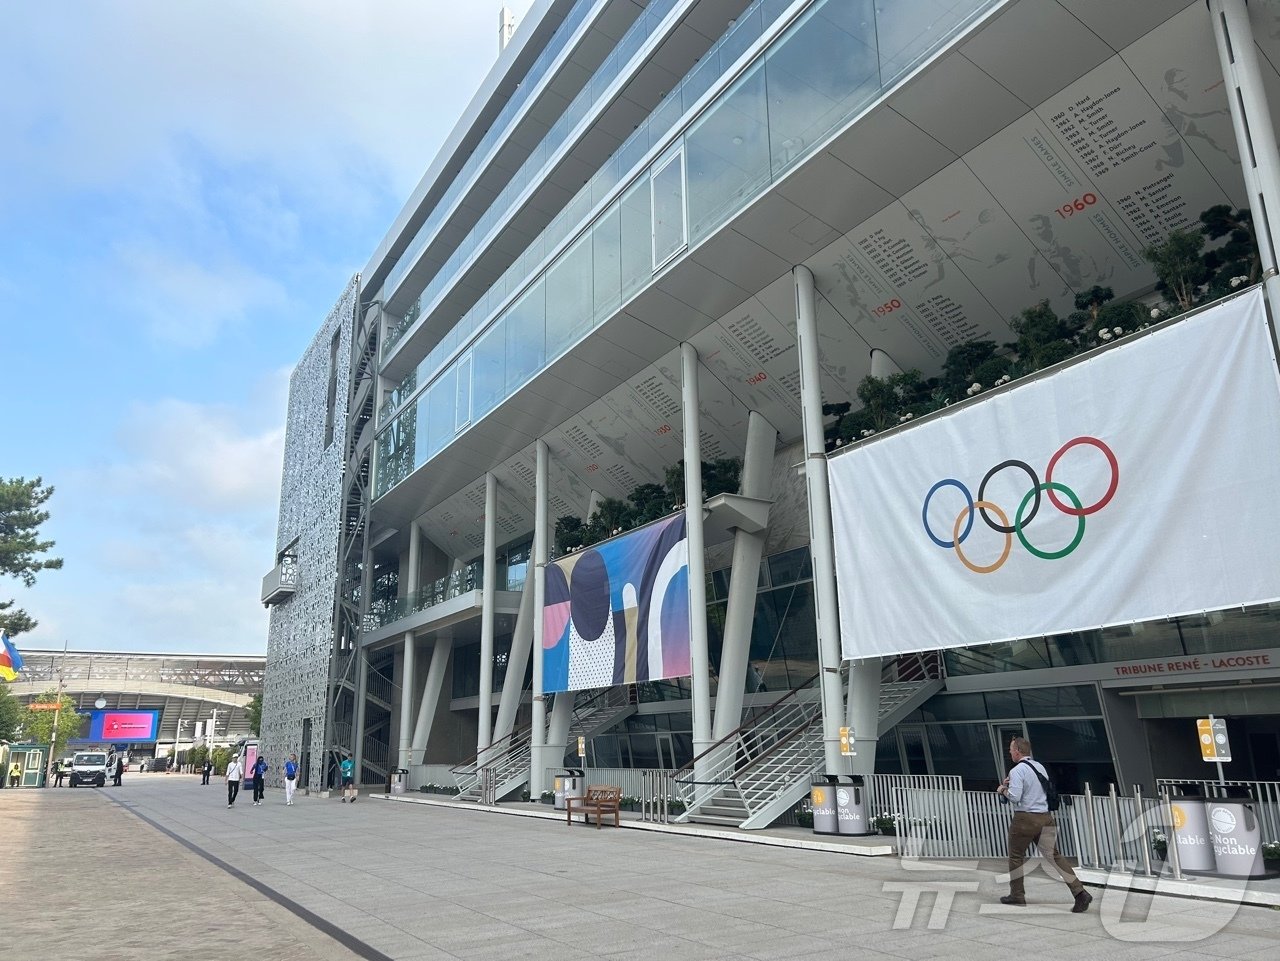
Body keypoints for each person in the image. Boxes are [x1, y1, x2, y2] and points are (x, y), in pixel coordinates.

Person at [996, 737, 1091, 912]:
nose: (1009, 752)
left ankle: (1017, 895)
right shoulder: (1040, 767)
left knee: (1016, 856)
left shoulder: (1017, 771)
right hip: (1045, 817)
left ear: (1018, 750)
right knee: (1054, 856)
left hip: (1025, 818)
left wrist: (1002, 789)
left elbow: (1015, 797)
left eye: (1011, 749)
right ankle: (1080, 892)